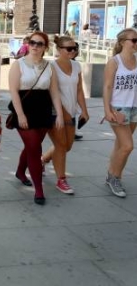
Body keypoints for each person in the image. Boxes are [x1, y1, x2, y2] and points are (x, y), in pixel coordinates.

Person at [8, 32, 64, 205]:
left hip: (44, 111)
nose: (35, 46)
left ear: (45, 47)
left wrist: (59, 114)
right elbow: (14, 92)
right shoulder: (19, 65)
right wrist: (20, 114)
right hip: (24, 110)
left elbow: (54, 92)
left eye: (39, 44)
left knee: (32, 146)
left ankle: (20, 171)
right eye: (32, 42)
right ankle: (39, 189)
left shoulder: (49, 66)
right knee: (35, 148)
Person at [41, 35, 89, 195]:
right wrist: (63, 113)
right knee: (61, 146)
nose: (73, 51)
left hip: (72, 111)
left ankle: (43, 160)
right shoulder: (51, 67)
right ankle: (61, 180)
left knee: (67, 146)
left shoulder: (76, 66)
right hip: (56, 113)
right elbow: (50, 92)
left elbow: (79, 89)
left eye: (75, 47)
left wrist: (84, 110)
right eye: (69, 48)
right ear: (59, 50)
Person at [102, 28, 137, 198]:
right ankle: (114, 178)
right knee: (127, 146)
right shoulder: (114, 62)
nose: (136, 43)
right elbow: (107, 86)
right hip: (119, 108)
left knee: (120, 145)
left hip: (135, 108)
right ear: (123, 42)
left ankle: (112, 174)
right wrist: (108, 109)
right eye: (134, 40)